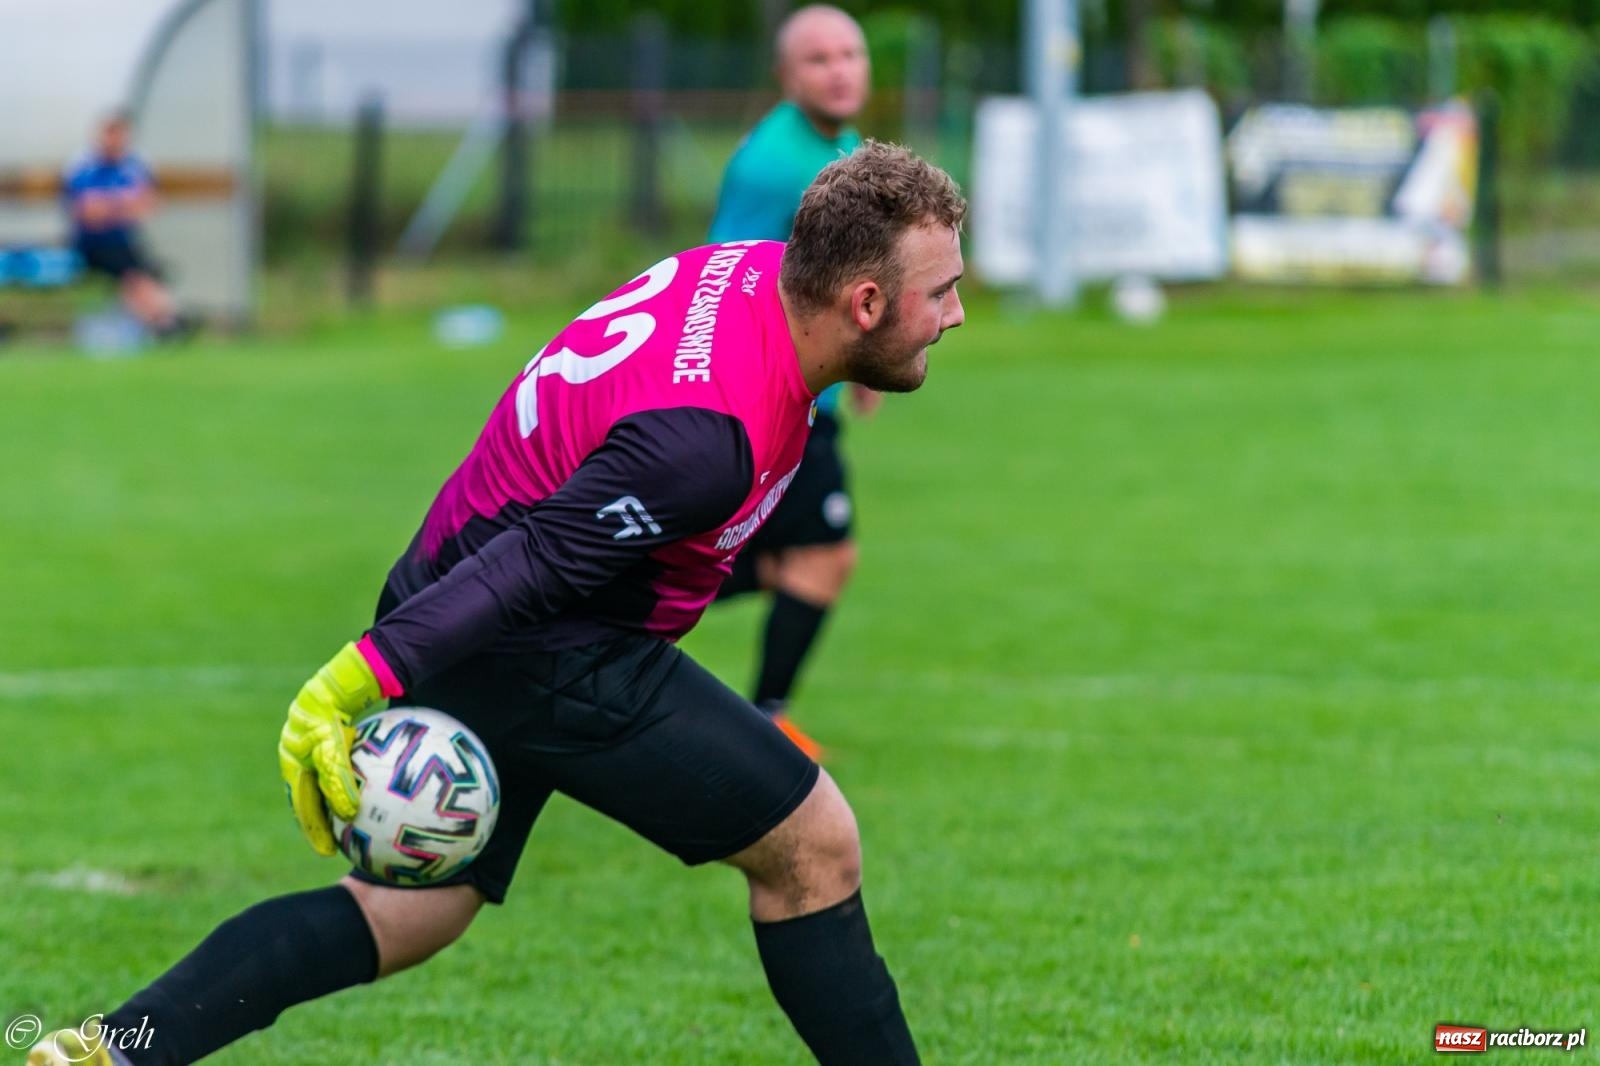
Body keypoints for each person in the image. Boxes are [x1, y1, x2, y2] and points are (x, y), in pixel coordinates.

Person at [30, 141, 966, 1066]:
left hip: (462, 590)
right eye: (942, 293)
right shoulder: (704, 440)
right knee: (814, 848)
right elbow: (539, 560)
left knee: (409, 909)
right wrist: (354, 676)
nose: (956, 315)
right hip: (542, 638)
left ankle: (113, 1051)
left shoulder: (751, 272)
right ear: (864, 301)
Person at [708, 4, 879, 760]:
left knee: (793, 559)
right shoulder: (774, 165)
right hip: (776, 402)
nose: (839, 69)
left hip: (810, 397)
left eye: (850, 53)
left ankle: (591, 596)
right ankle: (763, 721)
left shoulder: (835, 143)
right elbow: (728, 280)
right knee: (821, 556)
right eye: (819, 59)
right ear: (785, 76)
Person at [61, 113, 187, 338]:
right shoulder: (84, 165)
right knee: (135, 277)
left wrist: (108, 204)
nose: (115, 140)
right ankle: (163, 324)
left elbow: (149, 205)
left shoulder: (135, 165)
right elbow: (88, 213)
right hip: (92, 245)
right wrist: (124, 202)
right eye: (110, 134)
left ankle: (163, 322)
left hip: (124, 241)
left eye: (120, 134)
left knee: (152, 274)